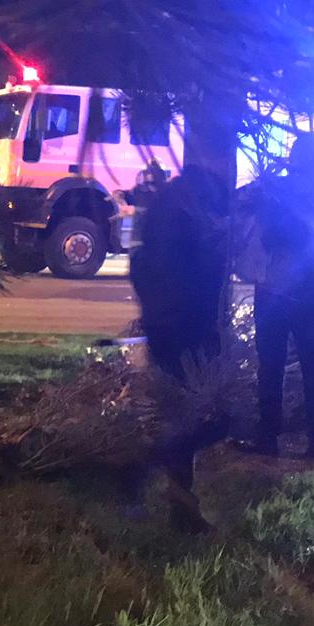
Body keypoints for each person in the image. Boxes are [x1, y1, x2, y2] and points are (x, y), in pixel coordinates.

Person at [129, 163, 230, 531]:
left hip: (164, 324)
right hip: (185, 328)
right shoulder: (189, 221)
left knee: (175, 410)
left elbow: (139, 265)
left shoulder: (164, 210)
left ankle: (165, 488)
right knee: (190, 415)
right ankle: (174, 498)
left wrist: (152, 311)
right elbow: (204, 277)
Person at [243, 136, 314, 458]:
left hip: (276, 285)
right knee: (313, 363)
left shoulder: (277, 191)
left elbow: (265, 233)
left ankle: (269, 437)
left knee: (272, 365)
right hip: (309, 285)